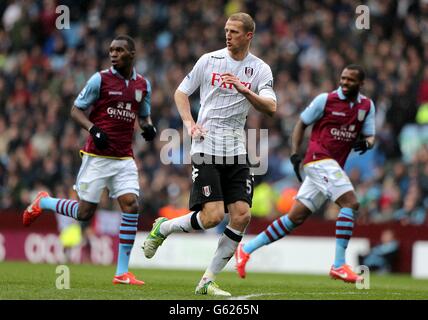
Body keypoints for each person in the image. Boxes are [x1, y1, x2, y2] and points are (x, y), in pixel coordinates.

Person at [142, 12, 277, 296]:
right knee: (213, 216)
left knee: (241, 215)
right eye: (226, 30)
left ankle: (207, 281)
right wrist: (189, 123)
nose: (228, 35)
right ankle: (163, 229)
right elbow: (181, 93)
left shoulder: (260, 69)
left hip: (237, 149)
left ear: (249, 35)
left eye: (235, 32)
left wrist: (243, 89)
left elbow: (270, 107)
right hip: (206, 146)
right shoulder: (209, 60)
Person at [22, 35, 157, 285]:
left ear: (132, 54)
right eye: (111, 50)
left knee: (131, 205)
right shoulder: (100, 79)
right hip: (97, 155)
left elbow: (145, 117)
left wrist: (149, 128)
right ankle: (45, 202)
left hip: (124, 157)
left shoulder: (142, 85)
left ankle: (121, 272)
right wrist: (93, 129)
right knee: (84, 213)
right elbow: (75, 109)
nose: (113, 54)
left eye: (119, 50)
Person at [235, 64, 376, 283]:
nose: (345, 82)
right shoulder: (325, 100)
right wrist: (295, 154)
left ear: (361, 84)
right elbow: (301, 123)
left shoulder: (367, 106)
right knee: (351, 203)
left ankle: (245, 249)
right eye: (343, 78)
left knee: (294, 218)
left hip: (332, 166)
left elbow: (370, 136)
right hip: (318, 159)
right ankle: (339, 264)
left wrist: (367, 144)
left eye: (350, 80)